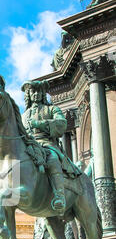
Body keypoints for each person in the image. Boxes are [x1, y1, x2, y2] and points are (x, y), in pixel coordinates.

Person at [21, 80, 81, 213]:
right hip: (29, 147)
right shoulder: (23, 116)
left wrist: (39, 123)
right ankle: (11, 198)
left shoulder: (51, 109)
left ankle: (59, 195)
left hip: (46, 144)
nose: (35, 94)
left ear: (43, 94)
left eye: (38, 91)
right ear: (28, 95)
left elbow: (61, 123)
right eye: (32, 92)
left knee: (52, 159)